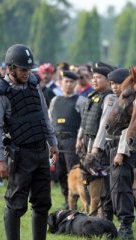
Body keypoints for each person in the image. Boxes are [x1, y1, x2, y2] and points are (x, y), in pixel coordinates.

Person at [0, 44, 59, 240]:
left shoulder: (34, 84)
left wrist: (53, 143)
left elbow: (44, 115)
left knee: (43, 202)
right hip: (20, 154)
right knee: (16, 204)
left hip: (41, 152)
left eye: (29, 69)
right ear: (10, 68)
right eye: (23, 69)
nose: (27, 72)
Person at [75, 62, 116, 220]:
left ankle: (105, 219)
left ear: (107, 80)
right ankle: (94, 217)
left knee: (102, 183)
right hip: (87, 143)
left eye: (98, 77)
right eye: (93, 77)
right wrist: (79, 138)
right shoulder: (92, 96)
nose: (94, 80)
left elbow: (104, 124)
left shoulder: (109, 97)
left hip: (99, 147)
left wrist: (96, 148)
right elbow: (84, 121)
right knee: (89, 180)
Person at [107, 68, 136, 239]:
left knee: (122, 187)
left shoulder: (131, 99)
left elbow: (130, 128)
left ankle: (127, 226)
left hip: (123, 150)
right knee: (114, 188)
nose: (114, 87)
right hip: (112, 148)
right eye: (111, 83)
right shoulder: (117, 100)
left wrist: (121, 152)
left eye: (117, 83)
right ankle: (115, 223)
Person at [49, 70, 87, 209]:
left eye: (72, 82)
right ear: (61, 83)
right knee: (59, 171)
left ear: (76, 84)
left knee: (73, 172)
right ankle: (67, 199)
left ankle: (76, 202)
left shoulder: (81, 101)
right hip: (57, 141)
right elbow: (49, 120)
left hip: (72, 141)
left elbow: (85, 122)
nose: (69, 84)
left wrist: (80, 139)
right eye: (66, 81)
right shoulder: (55, 100)